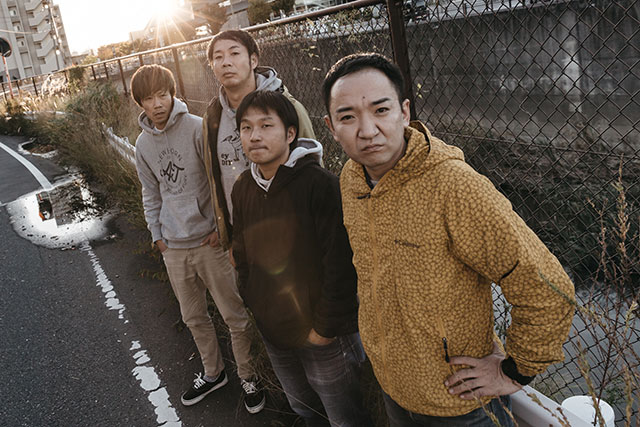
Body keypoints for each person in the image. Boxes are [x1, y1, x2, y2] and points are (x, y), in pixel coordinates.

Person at [322, 53, 575, 426]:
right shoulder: (351, 178)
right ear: (331, 127)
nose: (367, 130)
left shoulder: (454, 186)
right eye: (348, 117)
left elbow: (547, 287)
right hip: (394, 387)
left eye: (380, 110)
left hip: (460, 405)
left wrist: (515, 370)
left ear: (404, 112)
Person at [231, 90, 372, 427]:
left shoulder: (320, 185)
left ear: (290, 133)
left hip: (321, 332)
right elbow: (242, 252)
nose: (255, 136)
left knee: (344, 415)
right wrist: (254, 301)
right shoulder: (243, 186)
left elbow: (340, 264)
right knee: (303, 406)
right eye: (247, 128)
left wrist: (324, 328)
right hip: (273, 328)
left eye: (266, 125)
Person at [131, 64, 265, 414]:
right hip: (173, 246)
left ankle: (248, 375)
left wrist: (222, 228)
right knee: (193, 317)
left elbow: (218, 177)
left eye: (162, 94)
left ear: (172, 93)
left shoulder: (196, 127)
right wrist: (157, 236)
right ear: (140, 104)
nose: (157, 104)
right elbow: (151, 192)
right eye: (149, 98)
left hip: (209, 241)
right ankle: (213, 372)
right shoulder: (142, 144)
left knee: (234, 315)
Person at [202, 29, 315, 253]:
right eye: (218, 57)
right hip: (241, 236)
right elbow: (215, 176)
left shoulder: (288, 107)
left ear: (253, 60)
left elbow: (313, 169)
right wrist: (229, 236)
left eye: (234, 53)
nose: (226, 62)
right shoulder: (212, 116)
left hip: (291, 236)